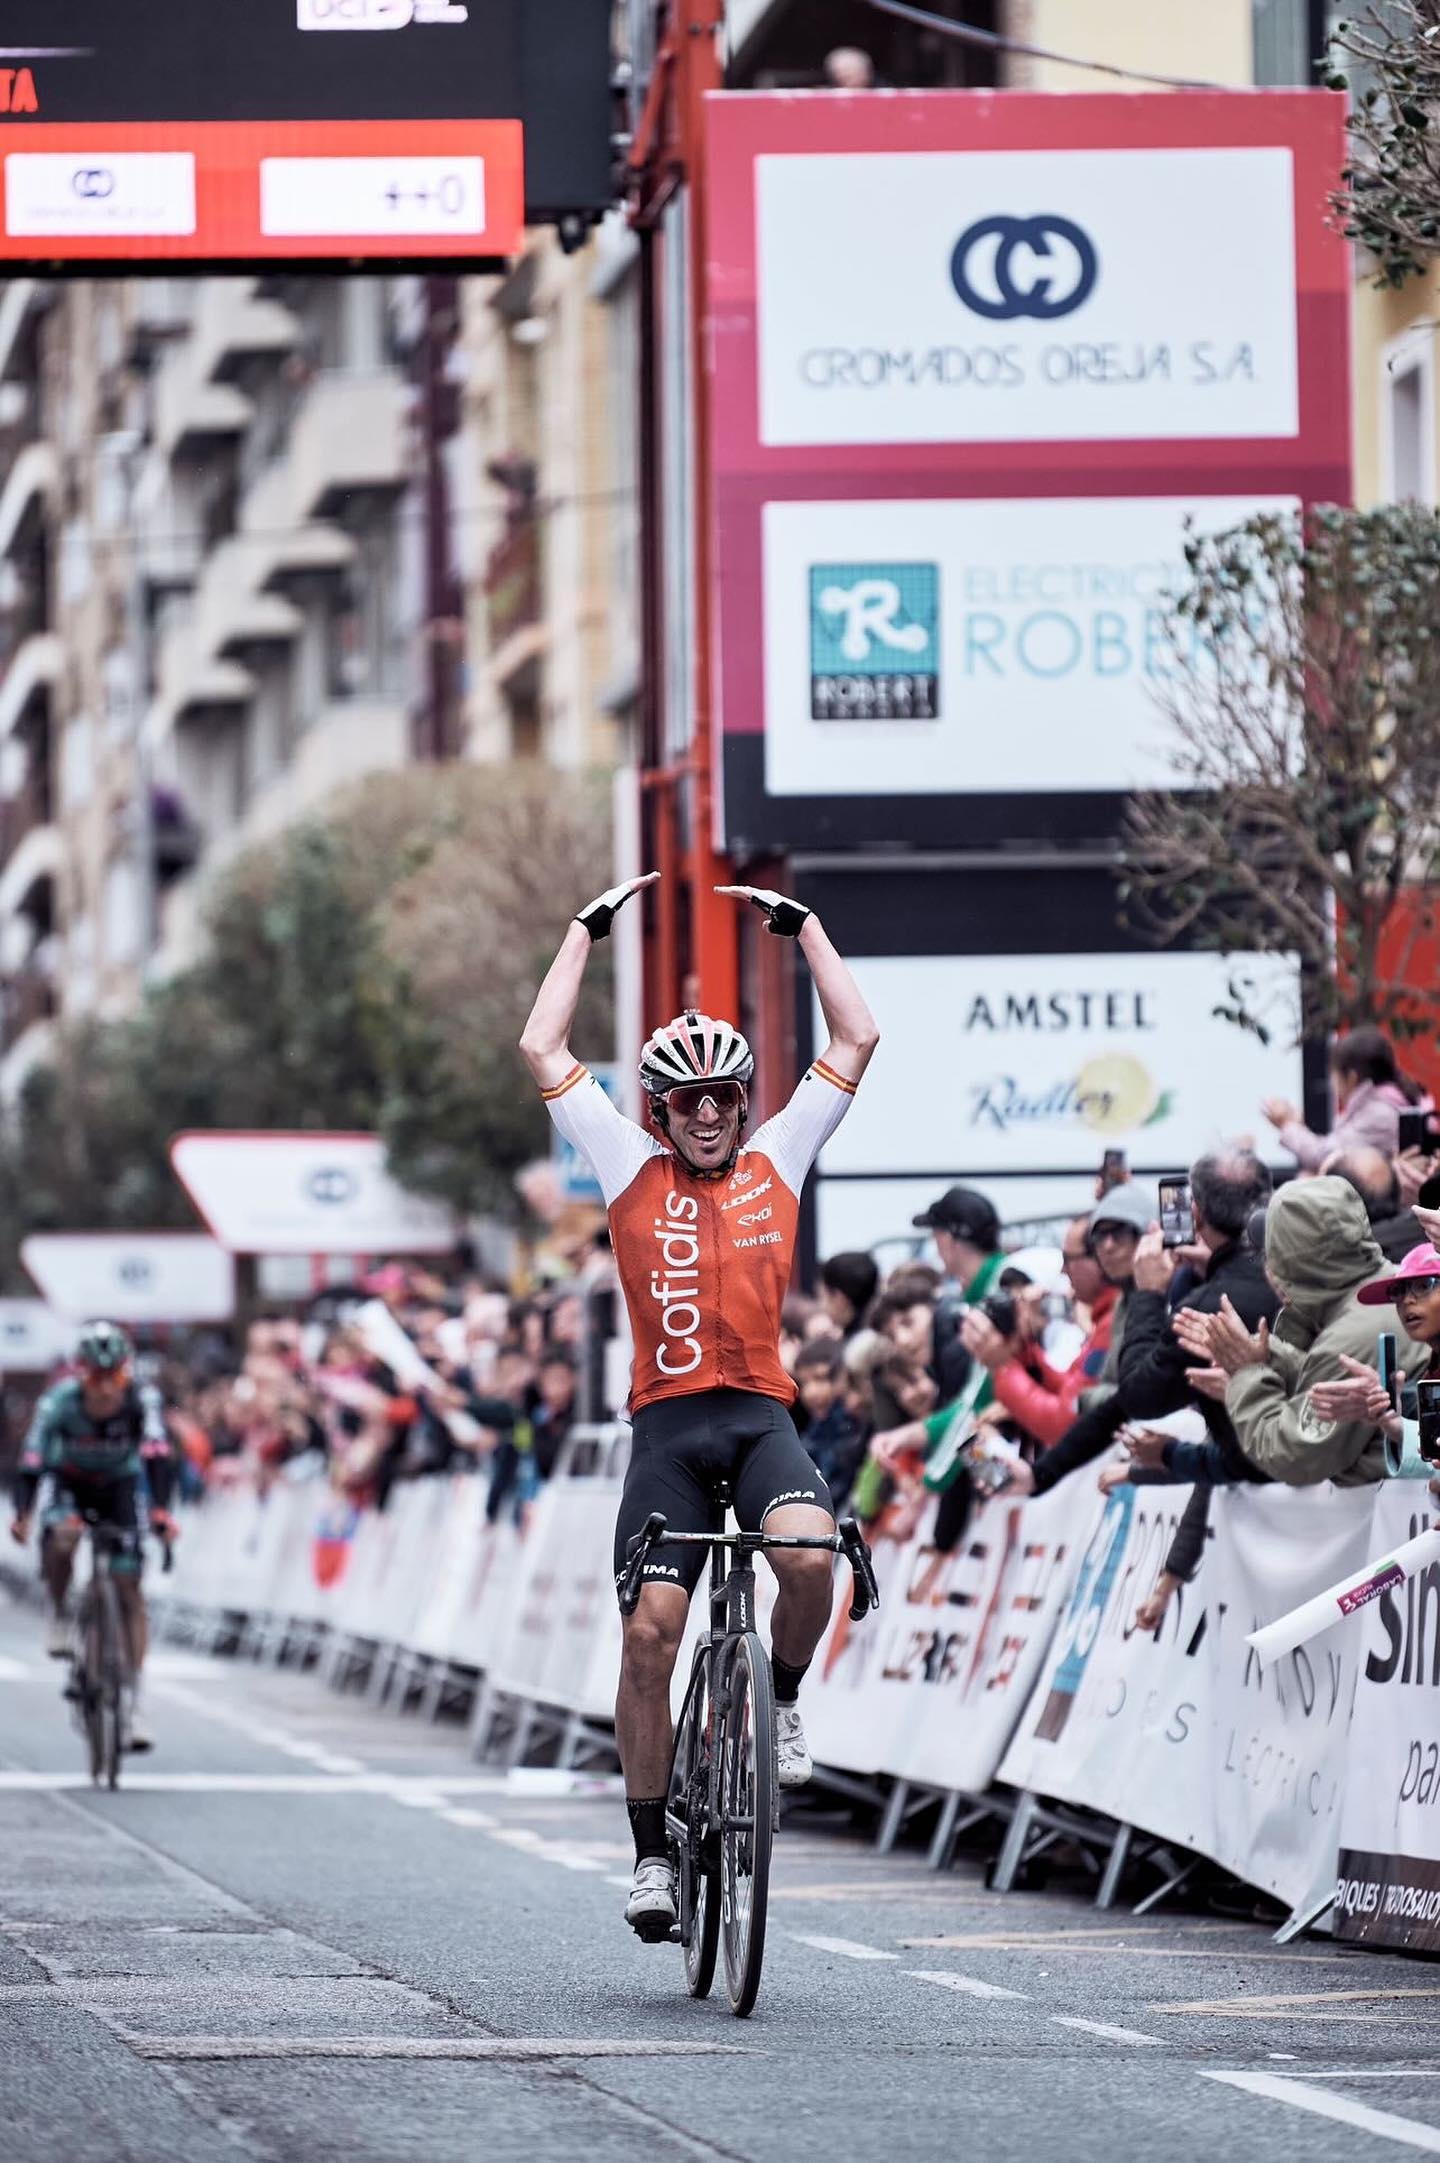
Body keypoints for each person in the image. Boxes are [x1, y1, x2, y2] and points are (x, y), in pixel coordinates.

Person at [519, 872, 879, 1940]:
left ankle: (781, 1695)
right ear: (660, 1112)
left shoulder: (782, 1151)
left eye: (725, 1095)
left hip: (764, 1418)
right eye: (690, 1102)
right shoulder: (625, 1161)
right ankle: (648, 1856)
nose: (712, 1115)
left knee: (812, 1560)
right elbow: (544, 1048)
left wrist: (807, 927)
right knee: (650, 1637)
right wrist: (584, 931)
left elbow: (856, 1036)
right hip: (669, 1431)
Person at [1175, 1177, 1430, 1485]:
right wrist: (1269, 1355)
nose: (1267, 1264)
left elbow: (1292, 1456)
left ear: (1294, 1264)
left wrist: (1246, 1377)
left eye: (1275, 1251)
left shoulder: (1352, 1335)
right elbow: (1329, 1377)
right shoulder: (1387, 1289)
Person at [7, 1322, 179, 1753]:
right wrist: (24, 1514)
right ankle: (63, 1612)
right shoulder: (58, 1403)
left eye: (114, 1378)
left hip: (119, 1488)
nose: (104, 1390)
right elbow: (30, 1461)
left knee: (128, 1588)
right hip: (71, 1483)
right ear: (80, 1375)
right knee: (63, 1535)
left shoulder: (142, 1399)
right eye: (94, 1379)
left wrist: (160, 1512)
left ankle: (134, 1701)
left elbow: (159, 1456)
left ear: (126, 1374)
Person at [1263, 1024, 1422, 1169]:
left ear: (1351, 1077)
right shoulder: (1377, 1105)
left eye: (1333, 1075)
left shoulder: (1377, 1114)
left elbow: (1328, 1158)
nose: (1332, 1084)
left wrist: (1287, 1125)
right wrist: (1296, 1127)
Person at [912, 1184, 1005, 1403]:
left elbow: (979, 1401)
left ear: (947, 1239)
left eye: (935, 1236)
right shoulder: (989, 1287)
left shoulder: (998, 1289)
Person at [818, 1251, 879, 1340]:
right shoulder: (883, 1336)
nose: (822, 1306)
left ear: (839, 1298)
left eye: (823, 1296)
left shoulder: (846, 1348)